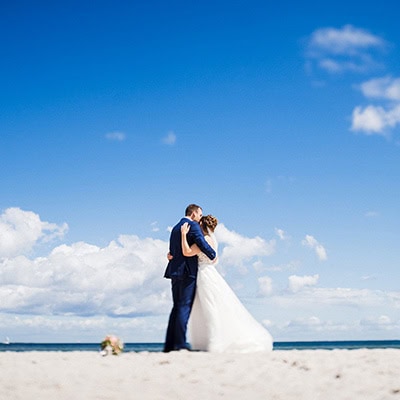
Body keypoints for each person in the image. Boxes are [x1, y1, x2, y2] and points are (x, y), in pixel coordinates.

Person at [181, 215, 273, 352]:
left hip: (204, 274)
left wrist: (183, 235)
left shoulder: (203, 240)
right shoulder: (212, 240)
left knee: (209, 307)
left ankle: (214, 341)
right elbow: (215, 260)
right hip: (211, 272)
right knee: (213, 306)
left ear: (202, 225)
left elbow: (187, 252)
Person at [163, 204, 217, 352]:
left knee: (176, 308)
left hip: (175, 272)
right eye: (200, 214)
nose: (200, 218)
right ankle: (180, 344)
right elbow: (202, 243)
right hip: (188, 273)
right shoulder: (192, 226)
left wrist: (170, 256)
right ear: (193, 214)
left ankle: (169, 345)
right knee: (184, 307)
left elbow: (173, 251)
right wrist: (212, 254)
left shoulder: (175, 228)